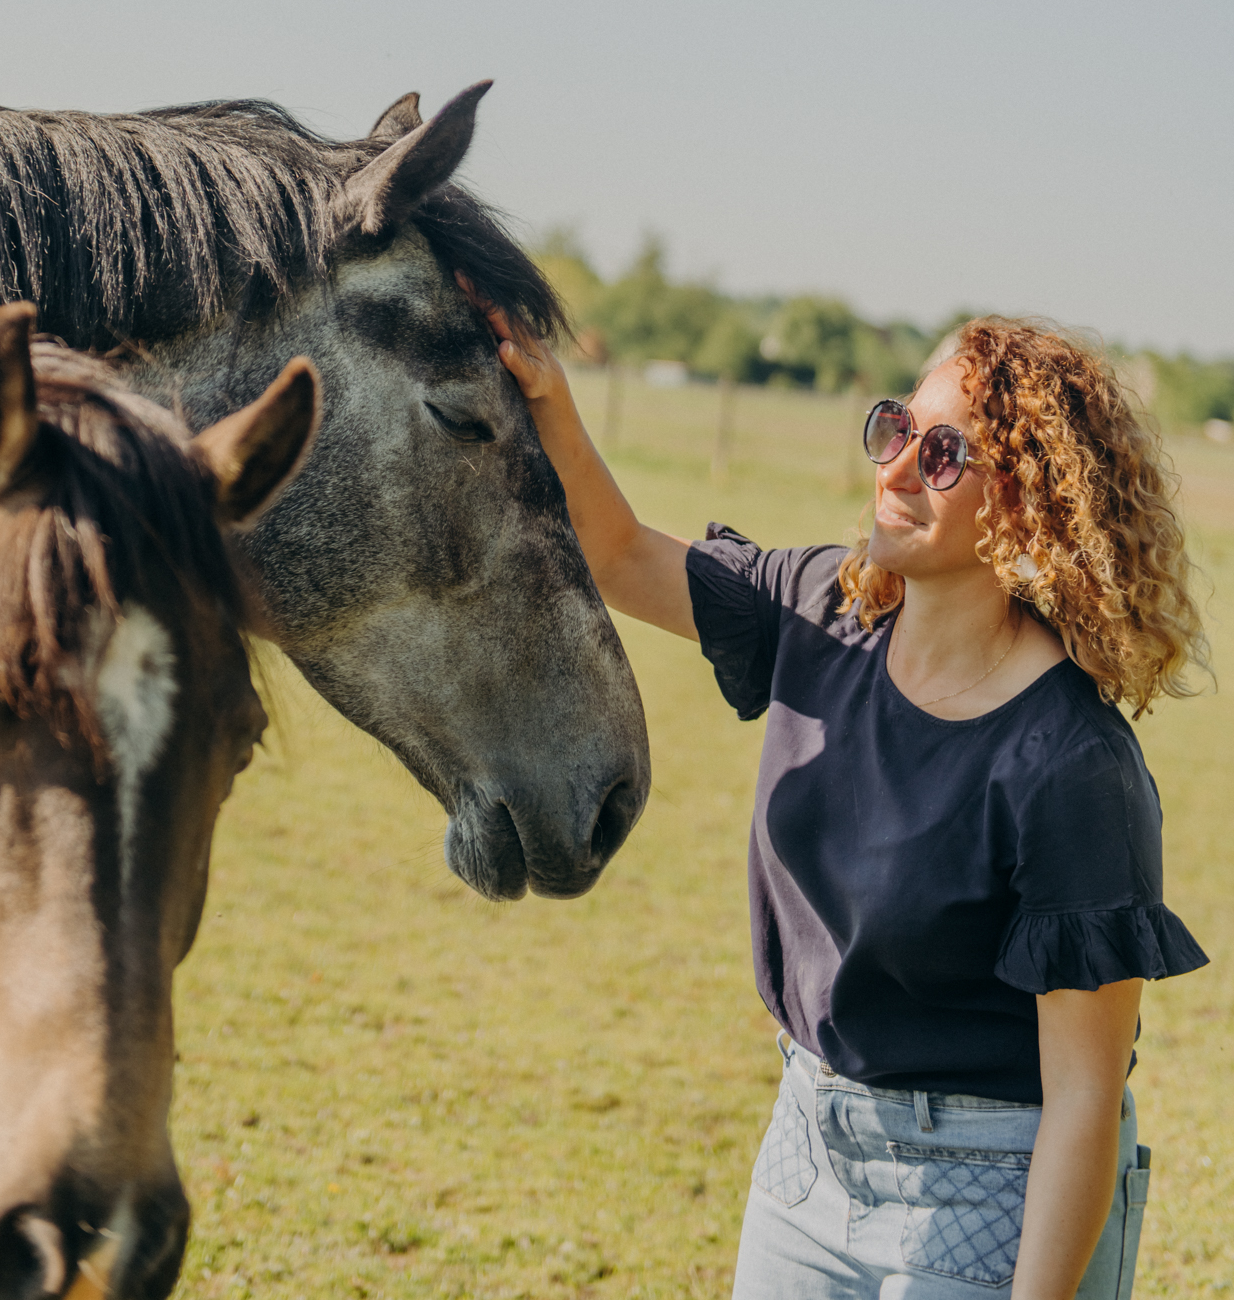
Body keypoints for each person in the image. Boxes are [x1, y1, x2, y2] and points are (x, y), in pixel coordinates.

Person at [474, 294, 1209, 1300]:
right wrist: (550, 396)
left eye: (943, 455)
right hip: (811, 1150)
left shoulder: (1070, 763)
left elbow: (1083, 1099)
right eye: (897, 428)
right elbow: (622, 556)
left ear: (1026, 506)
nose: (896, 468)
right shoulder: (827, 610)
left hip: (997, 1187)